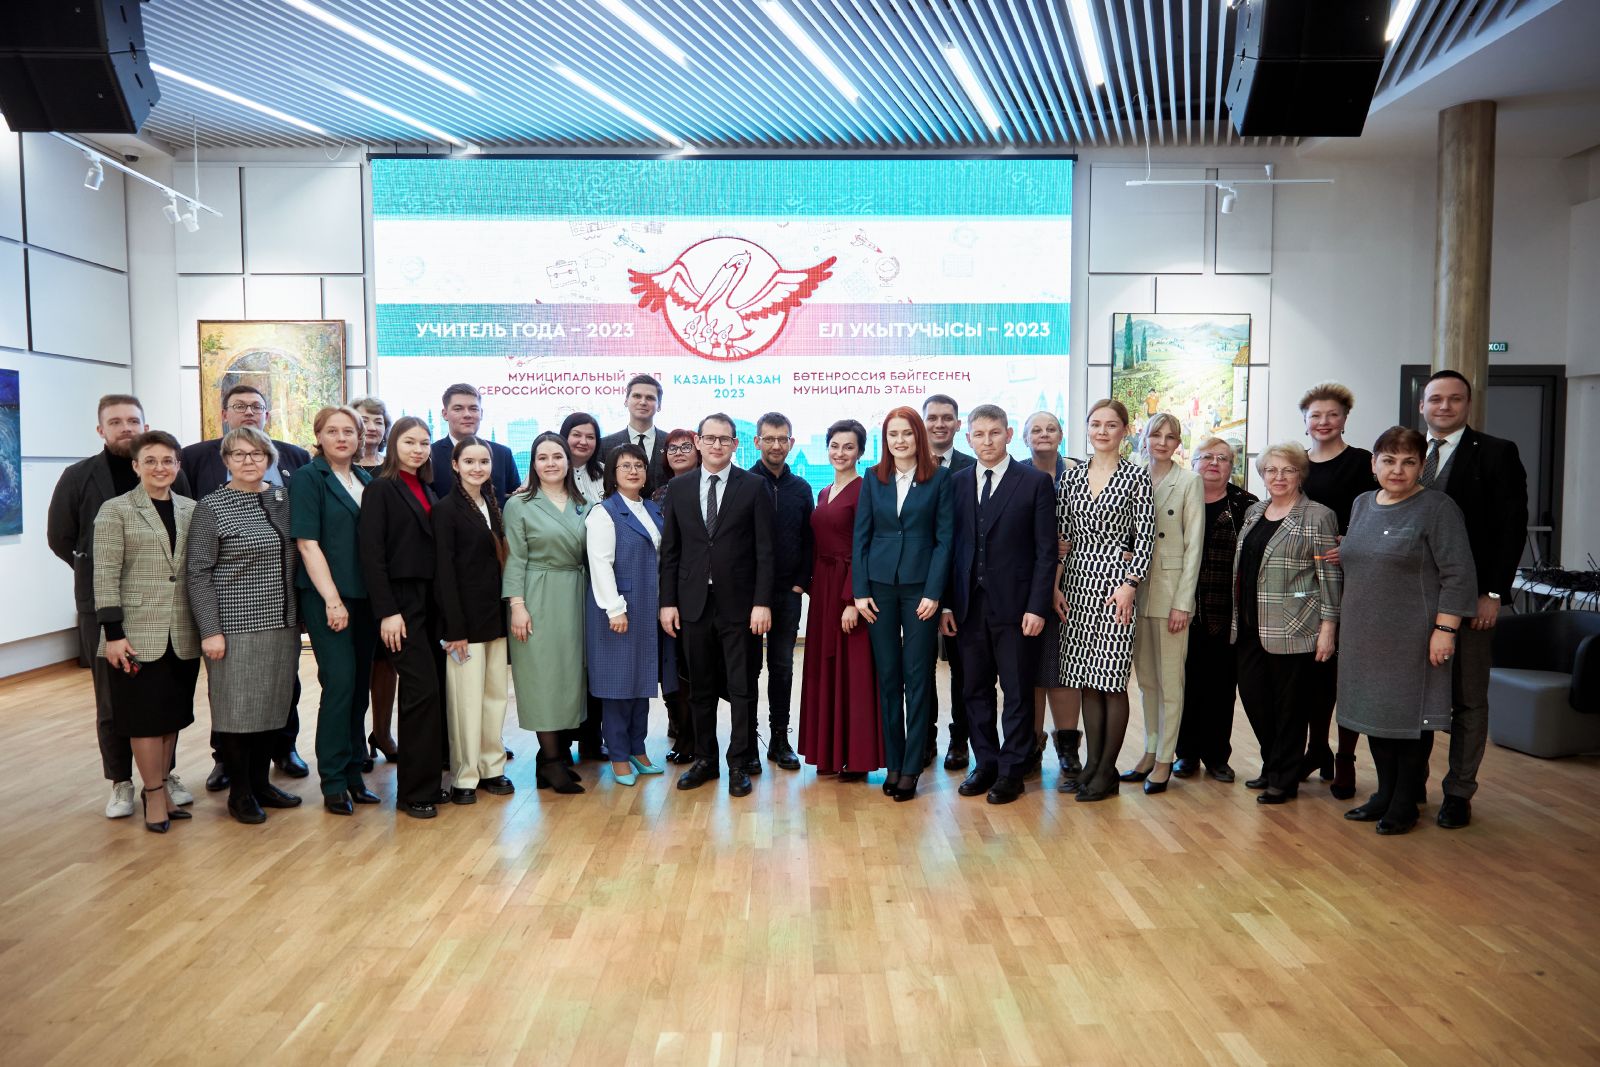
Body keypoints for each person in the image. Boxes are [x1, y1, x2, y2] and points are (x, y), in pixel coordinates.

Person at [47, 394, 194, 819]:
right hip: (106, 608)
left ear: (144, 425)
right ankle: (121, 781)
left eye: (133, 420)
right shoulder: (80, 477)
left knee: (167, 702)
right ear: (101, 430)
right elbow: (62, 538)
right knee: (115, 701)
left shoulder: (177, 484)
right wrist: (106, 581)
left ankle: (162, 777)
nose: (125, 427)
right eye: (116, 422)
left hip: (171, 614)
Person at [1338, 426, 1477, 835]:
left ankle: (1405, 802)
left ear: (1421, 466)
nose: (1397, 470)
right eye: (1389, 460)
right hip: (1363, 632)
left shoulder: (1437, 508)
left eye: (1408, 462)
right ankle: (1384, 793)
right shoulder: (1362, 504)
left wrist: (1445, 629)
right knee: (1374, 716)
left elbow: (1458, 574)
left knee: (1409, 721)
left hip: (1413, 635)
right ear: (1373, 464)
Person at [181, 383, 312, 790]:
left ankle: (261, 785)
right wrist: (210, 630)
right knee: (237, 709)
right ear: (226, 460)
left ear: (270, 459)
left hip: (281, 623)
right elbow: (198, 572)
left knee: (275, 704)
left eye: (256, 454)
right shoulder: (211, 506)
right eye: (239, 454)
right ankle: (241, 792)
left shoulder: (284, 500)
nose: (248, 460)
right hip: (234, 626)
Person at [1419, 369, 1528, 830]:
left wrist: (1493, 593)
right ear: (1422, 405)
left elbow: (1510, 528)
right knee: (1415, 697)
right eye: (1436, 399)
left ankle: (1458, 793)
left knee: (1467, 699)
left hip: (1471, 599)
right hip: (1414, 600)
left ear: (1468, 404)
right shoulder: (1408, 452)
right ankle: (1410, 785)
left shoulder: (1497, 453)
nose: (1444, 406)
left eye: (1454, 399)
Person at [941, 405, 1056, 805]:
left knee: (1018, 691)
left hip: (1018, 608)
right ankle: (986, 763)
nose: (987, 441)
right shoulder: (955, 483)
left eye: (994, 433)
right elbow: (950, 548)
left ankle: (1012, 771)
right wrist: (946, 605)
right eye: (979, 434)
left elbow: (1046, 551)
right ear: (968, 438)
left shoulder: (1034, 482)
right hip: (968, 607)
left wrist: (1037, 606)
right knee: (974, 689)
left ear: (1008, 435)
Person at [659, 413, 775, 798]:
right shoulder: (679, 488)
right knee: (701, 688)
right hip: (692, 604)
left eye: (725, 439)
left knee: (741, 686)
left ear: (735, 444)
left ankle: (739, 761)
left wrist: (762, 602)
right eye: (710, 438)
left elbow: (765, 550)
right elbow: (671, 551)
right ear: (698, 441)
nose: (717, 445)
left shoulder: (754, 486)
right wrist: (667, 602)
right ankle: (705, 759)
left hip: (740, 605)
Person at [92, 430, 200, 833]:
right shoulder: (115, 510)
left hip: (182, 630)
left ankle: (164, 788)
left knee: (171, 716)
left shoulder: (191, 508)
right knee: (143, 719)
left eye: (168, 460)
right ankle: (153, 793)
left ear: (178, 465)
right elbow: (104, 575)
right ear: (136, 466)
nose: (160, 468)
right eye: (150, 461)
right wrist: (113, 634)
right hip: (135, 635)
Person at [1054, 399, 1154, 802]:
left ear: (1124, 431)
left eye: (1111, 425)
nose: (1102, 431)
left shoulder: (1136, 476)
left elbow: (1145, 537)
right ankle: (1092, 765)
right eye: (1095, 424)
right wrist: (1056, 585)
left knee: (1111, 680)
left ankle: (1107, 771)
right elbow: (1062, 536)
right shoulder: (1072, 477)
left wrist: (1131, 584)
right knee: (1086, 681)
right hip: (1077, 582)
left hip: (1116, 584)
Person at [1232, 442, 1342, 806]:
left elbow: (1329, 577)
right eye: (1271, 470)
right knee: (1255, 700)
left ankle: (1283, 777)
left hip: (1295, 626)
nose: (1278, 477)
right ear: (1262, 475)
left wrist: (1329, 628)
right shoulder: (1254, 512)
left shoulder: (1318, 516)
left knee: (1289, 707)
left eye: (1288, 470)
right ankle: (1274, 763)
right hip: (1249, 625)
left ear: (1300, 475)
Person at [852, 407, 953, 802]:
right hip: (879, 588)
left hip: (920, 591)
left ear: (918, 437)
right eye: (892, 434)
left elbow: (944, 540)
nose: (899, 441)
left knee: (918, 677)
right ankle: (893, 762)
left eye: (907, 433)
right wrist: (860, 590)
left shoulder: (939, 478)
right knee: (889, 677)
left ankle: (912, 766)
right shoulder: (872, 478)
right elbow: (861, 537)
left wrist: (934, 592)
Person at [292, 406, 382, 816]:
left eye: (349, 431)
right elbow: (307, 544)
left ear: (361, 437)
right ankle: (332, 780)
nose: (342, 438)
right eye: (333, 431)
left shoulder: (364, 479)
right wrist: (331, 599)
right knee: (340, 683)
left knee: (359, 687)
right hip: (328, 598)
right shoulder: (309, 478)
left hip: (365, 598)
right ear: (319, 436)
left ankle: (353, 775)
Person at [360, 416, 448, 819]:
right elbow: (372, 554)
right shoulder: (381, 488)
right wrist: (388, 612)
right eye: (410, 441)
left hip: (429, 602)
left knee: (429, 694)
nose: (418, 449)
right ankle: (412, 793)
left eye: (424, 443)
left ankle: (427, 783)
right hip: (400, 602)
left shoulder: (426, 487)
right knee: (420, 691)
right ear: (394, 444)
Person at [1298, 382, 1376, 800]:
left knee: (1346, 674)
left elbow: (1380, 510)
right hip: (1303, 581)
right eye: (1316, 415)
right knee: (1313, 673)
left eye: (1332, 414)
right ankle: (1316, 750)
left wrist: (1353, 542)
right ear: (1305, 420)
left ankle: (1345, 758)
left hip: (1352, 576)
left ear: (1345, 419)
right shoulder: (1297, 463)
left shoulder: (1363, 463)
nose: (1324, 422)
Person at [504, 432, 590, 794]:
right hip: (537, 595)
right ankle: (551, 760)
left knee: (570, 676)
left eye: (557, 456)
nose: (551, 463)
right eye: (543, 457)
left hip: (576, 594)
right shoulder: (520, 504)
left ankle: (553, 759)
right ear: (533, 463)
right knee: (542, 676)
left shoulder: (583, 503)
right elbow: (515, 557)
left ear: (568, 461)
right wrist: (517, 605)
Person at [797, 419, 883, 780]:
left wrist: (851, 599)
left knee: (854, 672)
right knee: (825, 671)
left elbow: (867, 547)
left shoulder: (867, 490)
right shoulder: (823, 491)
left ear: (860, 452)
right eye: (834, 445)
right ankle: (829, 754)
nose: (840, 453)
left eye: (848, 447)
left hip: (850, 589)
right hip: (823, 591)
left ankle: (857, 758)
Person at [1124, 414, 1204, 796]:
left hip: (1171, 594)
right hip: (1135, 592)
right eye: (1156, 434)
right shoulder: (1132, 476)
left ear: (1178, 444)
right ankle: (1149, 749)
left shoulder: (1188, 482)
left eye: (1170, 437)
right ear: (1144, 437)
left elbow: (1194, 547)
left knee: (1171, 683)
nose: (1162, 441)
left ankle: (1165, 759)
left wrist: (1183, 603)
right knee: (1147, 682)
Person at [585, 442, 674, 785]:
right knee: (618, 687)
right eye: (625, 466)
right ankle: (619, 755)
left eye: (639, 465)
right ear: (612, 473)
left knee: (641, 682)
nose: (633, 471)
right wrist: (614, 608)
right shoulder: (604, 512)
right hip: (618, 611)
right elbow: (600, 565)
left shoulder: (651, 508)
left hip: (647, 609)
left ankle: (638, 749)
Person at [432, 437, 514, 805]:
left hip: (494, 617)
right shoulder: (445, 510)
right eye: (469, 461)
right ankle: (465, 775)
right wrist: (455, 629)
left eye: (483, 461)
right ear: (455, 465)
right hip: (463, 624)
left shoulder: (494, 506)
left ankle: (492, 767)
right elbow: (444, 573)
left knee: (494, 696)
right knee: (465, 701)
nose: (477, 468)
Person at [1173, 438, 1257, 783]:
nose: (1213, 463)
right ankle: (1185, 754)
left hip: (1226, 612)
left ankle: (1217, 756)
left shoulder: (1246, 505)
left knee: (1221, 688)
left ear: (1231, 467)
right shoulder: (1178, 498)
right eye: (1206, 456)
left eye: (1222, 458)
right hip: (1180, 610)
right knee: (1184, 685)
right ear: (1192, 462)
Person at [749, 411, 813, 772]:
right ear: (757, 441)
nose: (776, 445)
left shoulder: (801, 488)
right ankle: (748, 740)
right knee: (748, 670)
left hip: (788, 593)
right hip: (749, 596)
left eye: (782, 439)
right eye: (769, 438)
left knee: (782, 667)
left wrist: (801, 581)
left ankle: (779, 739)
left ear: (791, 442)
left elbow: (809, 539)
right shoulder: (743, 483)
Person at [1023, 410, 1082, 780]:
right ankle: (1030, 746)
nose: (1043, 434)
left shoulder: (1079, 473)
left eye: (1051, 428)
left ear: (1061, 434)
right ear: (1024, 437)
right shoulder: (1015, 474)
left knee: (1064, 669)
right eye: (1036, 429)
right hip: (1026, 585)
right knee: (1029, 670)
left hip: (1076, 584)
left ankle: (1068, 749)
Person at [921, 393, 974, 769]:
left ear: (958, 423)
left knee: (963, 668)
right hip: (917, 587)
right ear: (923, 423)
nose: (939, 424)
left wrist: (950, 599)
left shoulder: (973, 467)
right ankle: (925, 738)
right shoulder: (908, 467)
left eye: (947, 418)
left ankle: (960, 740)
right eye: (933, 417)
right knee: (920, 668)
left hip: (962, 587)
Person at [350, 396, 398, 768]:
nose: (372, 426)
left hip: (388, 578)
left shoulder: (392, 470)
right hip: (350, 579)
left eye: (379, 421)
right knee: (354, 666)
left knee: (387, 662)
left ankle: (382, 733)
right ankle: (353, 739)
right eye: (364, 419)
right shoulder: (341, 469)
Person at [562, 410, 608, 760]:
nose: (583, 442)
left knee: (596, 659)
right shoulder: (550, 472)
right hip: (563, 578)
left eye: (590, 436)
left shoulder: (606, 474)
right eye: (576, 434)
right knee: (567, 660)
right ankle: (561, 739)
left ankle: (593, 737)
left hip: (600, 577)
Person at [653, 427, 701, 763]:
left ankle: (693, 735)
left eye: (686, 447)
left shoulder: (709, 488)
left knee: (691, 667)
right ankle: (679, 727)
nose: (679, 452)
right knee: (669, 666)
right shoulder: (657, 495)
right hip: (660, 590)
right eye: (672, 448)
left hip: (695, 591)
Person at [428, 384, 521, 506]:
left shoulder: (503, 454)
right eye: (458, 409)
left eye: (473, 408)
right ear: (445, 414)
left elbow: (515, 500)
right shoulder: (430, 454)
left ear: (481, 413)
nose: (467, 414)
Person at [600, 373, 670, 492]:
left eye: (650, 398)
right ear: (626, 401)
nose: (643, 402)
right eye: (637, 396)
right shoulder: (604, 445)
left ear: (659, 405)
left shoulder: (670, 444)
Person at [351, 395, 389, 476]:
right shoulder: (340, 465)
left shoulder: (394, 466)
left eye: (378, 422)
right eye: (364, 421)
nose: (372, 428)